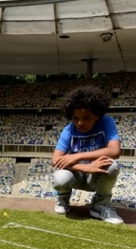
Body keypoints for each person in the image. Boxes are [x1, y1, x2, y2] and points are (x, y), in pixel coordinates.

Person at [52, 85, 123, 224]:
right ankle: (63, 198)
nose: (80, 123)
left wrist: (77, 156)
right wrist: (85, 167)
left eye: (86, 118)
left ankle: (99, 205)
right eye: (75, 118)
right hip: (76, 175)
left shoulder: (106, 122)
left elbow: (115, 151)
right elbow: (55, 160)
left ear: (97, 115)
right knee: (60, 177)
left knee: (111, 166)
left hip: (95, 176)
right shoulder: (69, 129)